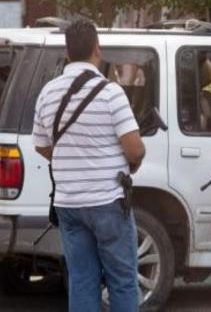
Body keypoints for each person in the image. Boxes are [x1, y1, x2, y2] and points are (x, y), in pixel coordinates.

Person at [33, 19, 145, 312]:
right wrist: (131, 162)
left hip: (68, 204)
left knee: (82, 280)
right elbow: (134, 149)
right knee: (122, 280)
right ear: (97, 49)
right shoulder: (111, 93)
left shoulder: (48, 93)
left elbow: (41, 145)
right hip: (108, 201)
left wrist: (71, 159)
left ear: (67, 53)